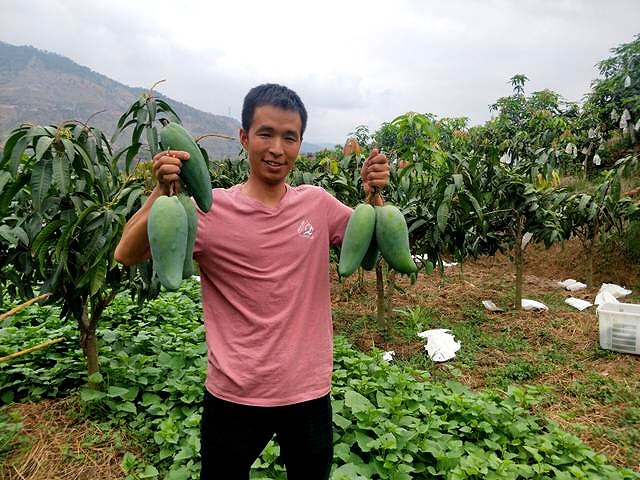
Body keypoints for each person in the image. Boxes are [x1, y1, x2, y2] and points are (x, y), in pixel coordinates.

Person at [114, 83, 390, 479]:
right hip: (234, 394)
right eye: (266, 134)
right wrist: (161, 191)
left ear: (300, 143)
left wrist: (373, 197)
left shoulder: (318, 204)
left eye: (289, 137)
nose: (277, 148)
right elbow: (126, 253)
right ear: (244, 137)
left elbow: (369, 252)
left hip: (307, 392)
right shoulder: (207, 210)